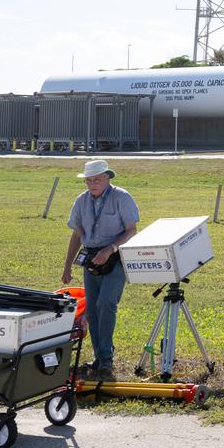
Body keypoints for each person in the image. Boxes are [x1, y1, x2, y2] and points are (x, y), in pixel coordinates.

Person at [62, 159, 139, 380]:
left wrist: (110, 248)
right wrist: (67, 266)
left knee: (107, 303)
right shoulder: (81, 201)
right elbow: (76, 235)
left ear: (107, 178)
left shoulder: (121, 198)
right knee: (92, 310)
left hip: (115, 257)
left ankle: (106, 359)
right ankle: (99, 358)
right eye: (89, 180)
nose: (92, 184)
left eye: (97, 179)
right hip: (91, 259)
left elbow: (132, 231)